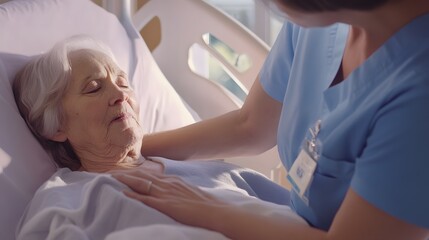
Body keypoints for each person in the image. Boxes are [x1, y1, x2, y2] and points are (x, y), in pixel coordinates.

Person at [112, 0, 429, 239]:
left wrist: (211, 210)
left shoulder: (417, 93)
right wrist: (132, 147)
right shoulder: (321, 22)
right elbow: (250, 126)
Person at [13, 36, 299, 239]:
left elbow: (307, 223)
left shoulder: (221, 172)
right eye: (94, 88)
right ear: (54, 127)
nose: (120, 95)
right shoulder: (63, 203)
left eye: (123, 83)